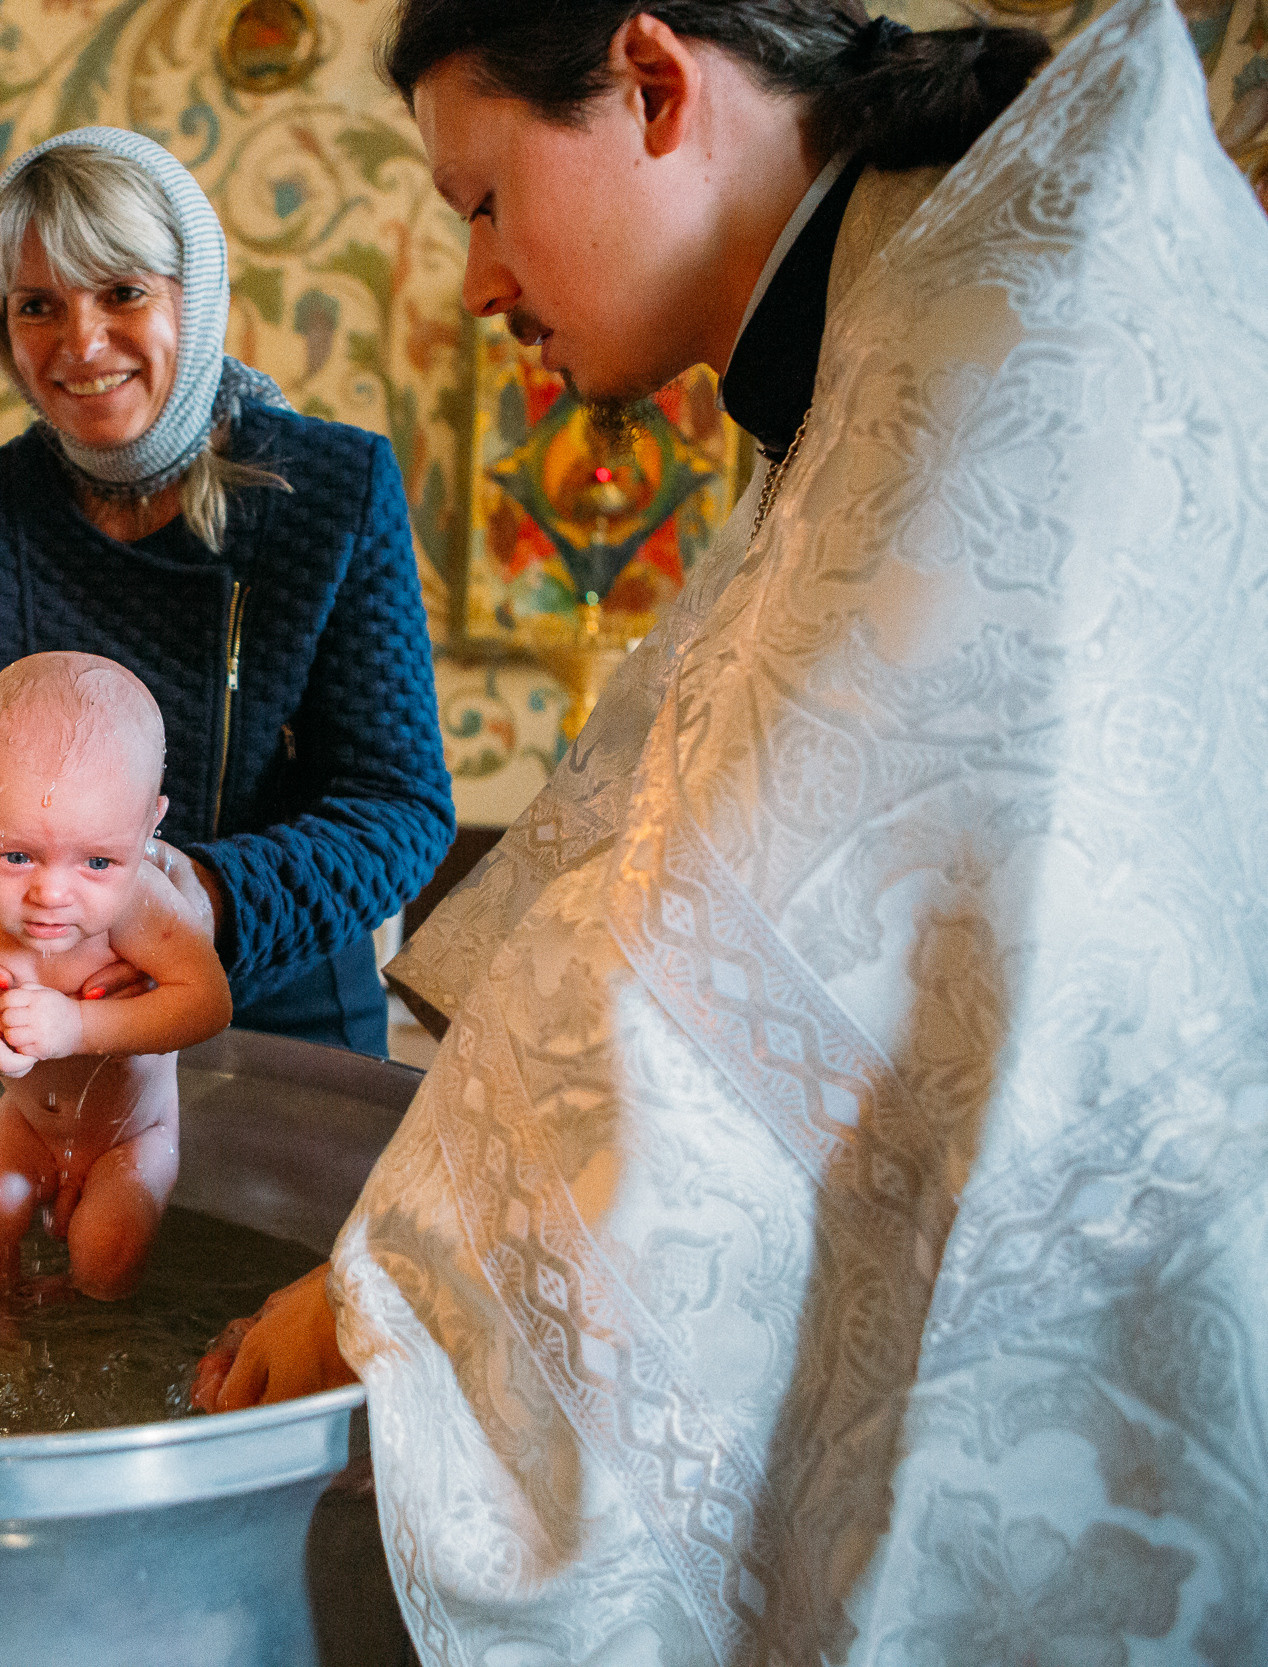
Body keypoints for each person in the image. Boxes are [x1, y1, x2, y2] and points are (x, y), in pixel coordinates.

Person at [198, 0, 1268, 1660]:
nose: (478, 283)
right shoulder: (899, 302)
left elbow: (723, 935)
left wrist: (391, 1302)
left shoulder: (992, 333)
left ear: (652, 80)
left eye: (484, 201)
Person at [0, 126, 454, 1058]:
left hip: (278, 1017)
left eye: (124, 292)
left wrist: (196, 902)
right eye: (37, 307)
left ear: (199, 294)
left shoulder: (335, 490)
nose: (82, 342)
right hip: (27, 1016)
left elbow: (398, 804)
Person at [0, 653, 230, 1300]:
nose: (51, 893)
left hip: (134, 1134)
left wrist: (80, 1025)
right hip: (29, 1124)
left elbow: (207, 1002)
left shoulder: (144, 905)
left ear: (150, 827)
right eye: (15, 854)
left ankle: (97, 1347)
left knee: (107, 1249)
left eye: (98, 860)